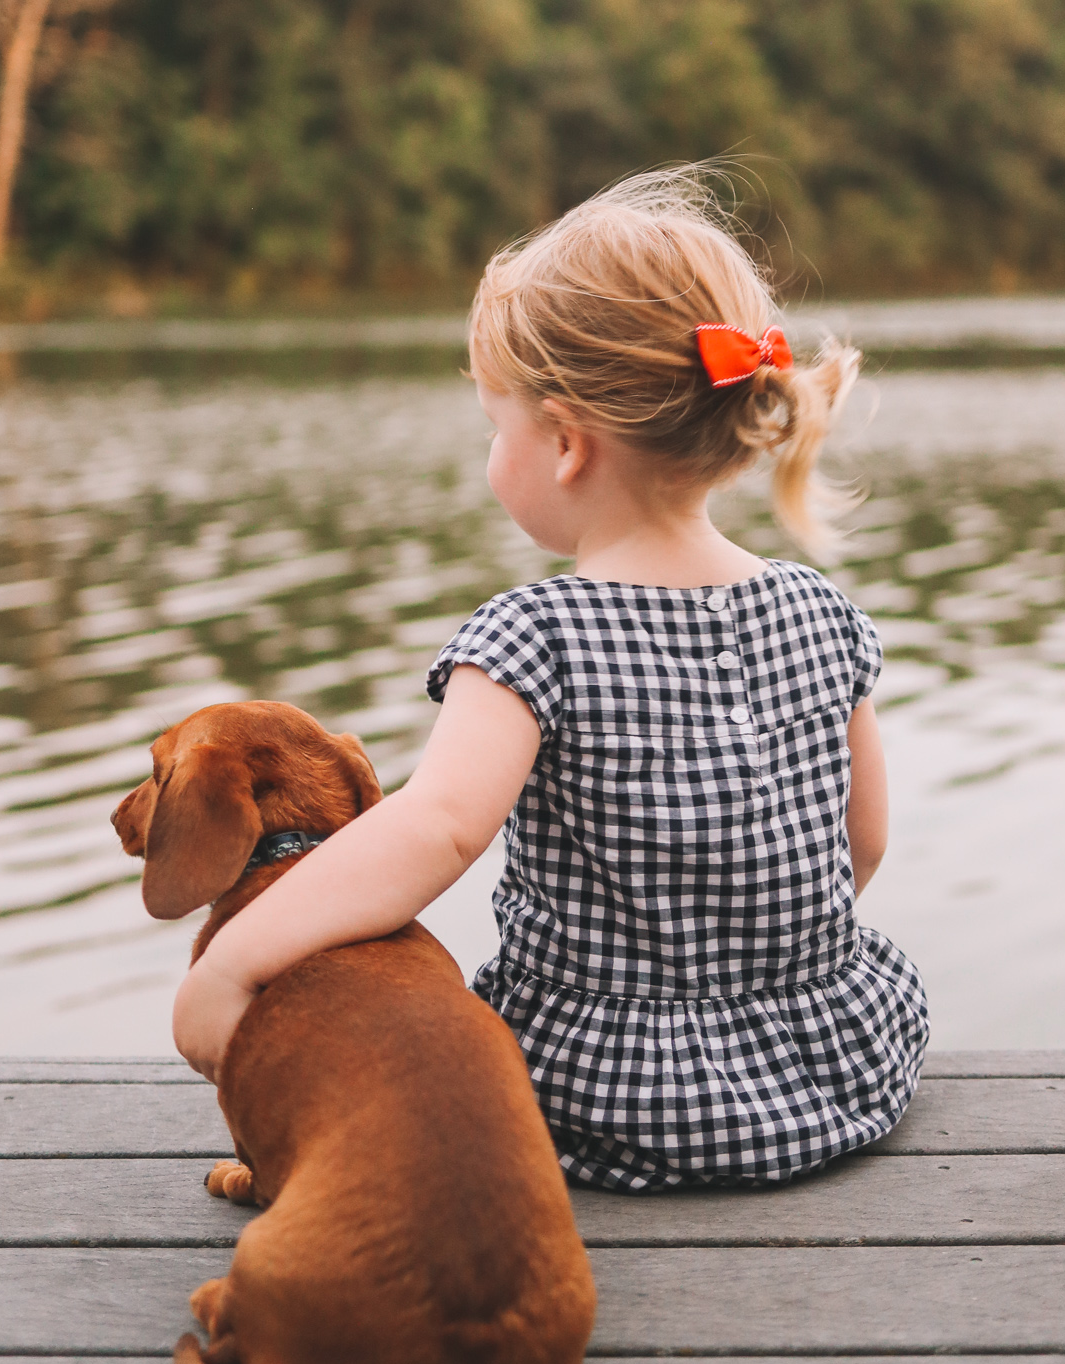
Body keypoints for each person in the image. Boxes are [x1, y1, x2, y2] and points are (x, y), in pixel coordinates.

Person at [173, 168, 929, 1190]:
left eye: (499, 426)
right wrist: (761, 982)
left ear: (568, 444)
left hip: (605, 1100)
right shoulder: (819, 609)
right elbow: (863, 845)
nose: (495, 454)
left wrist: (235, 962)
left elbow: (434, 833)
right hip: (834, 1066)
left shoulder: (538, 637)